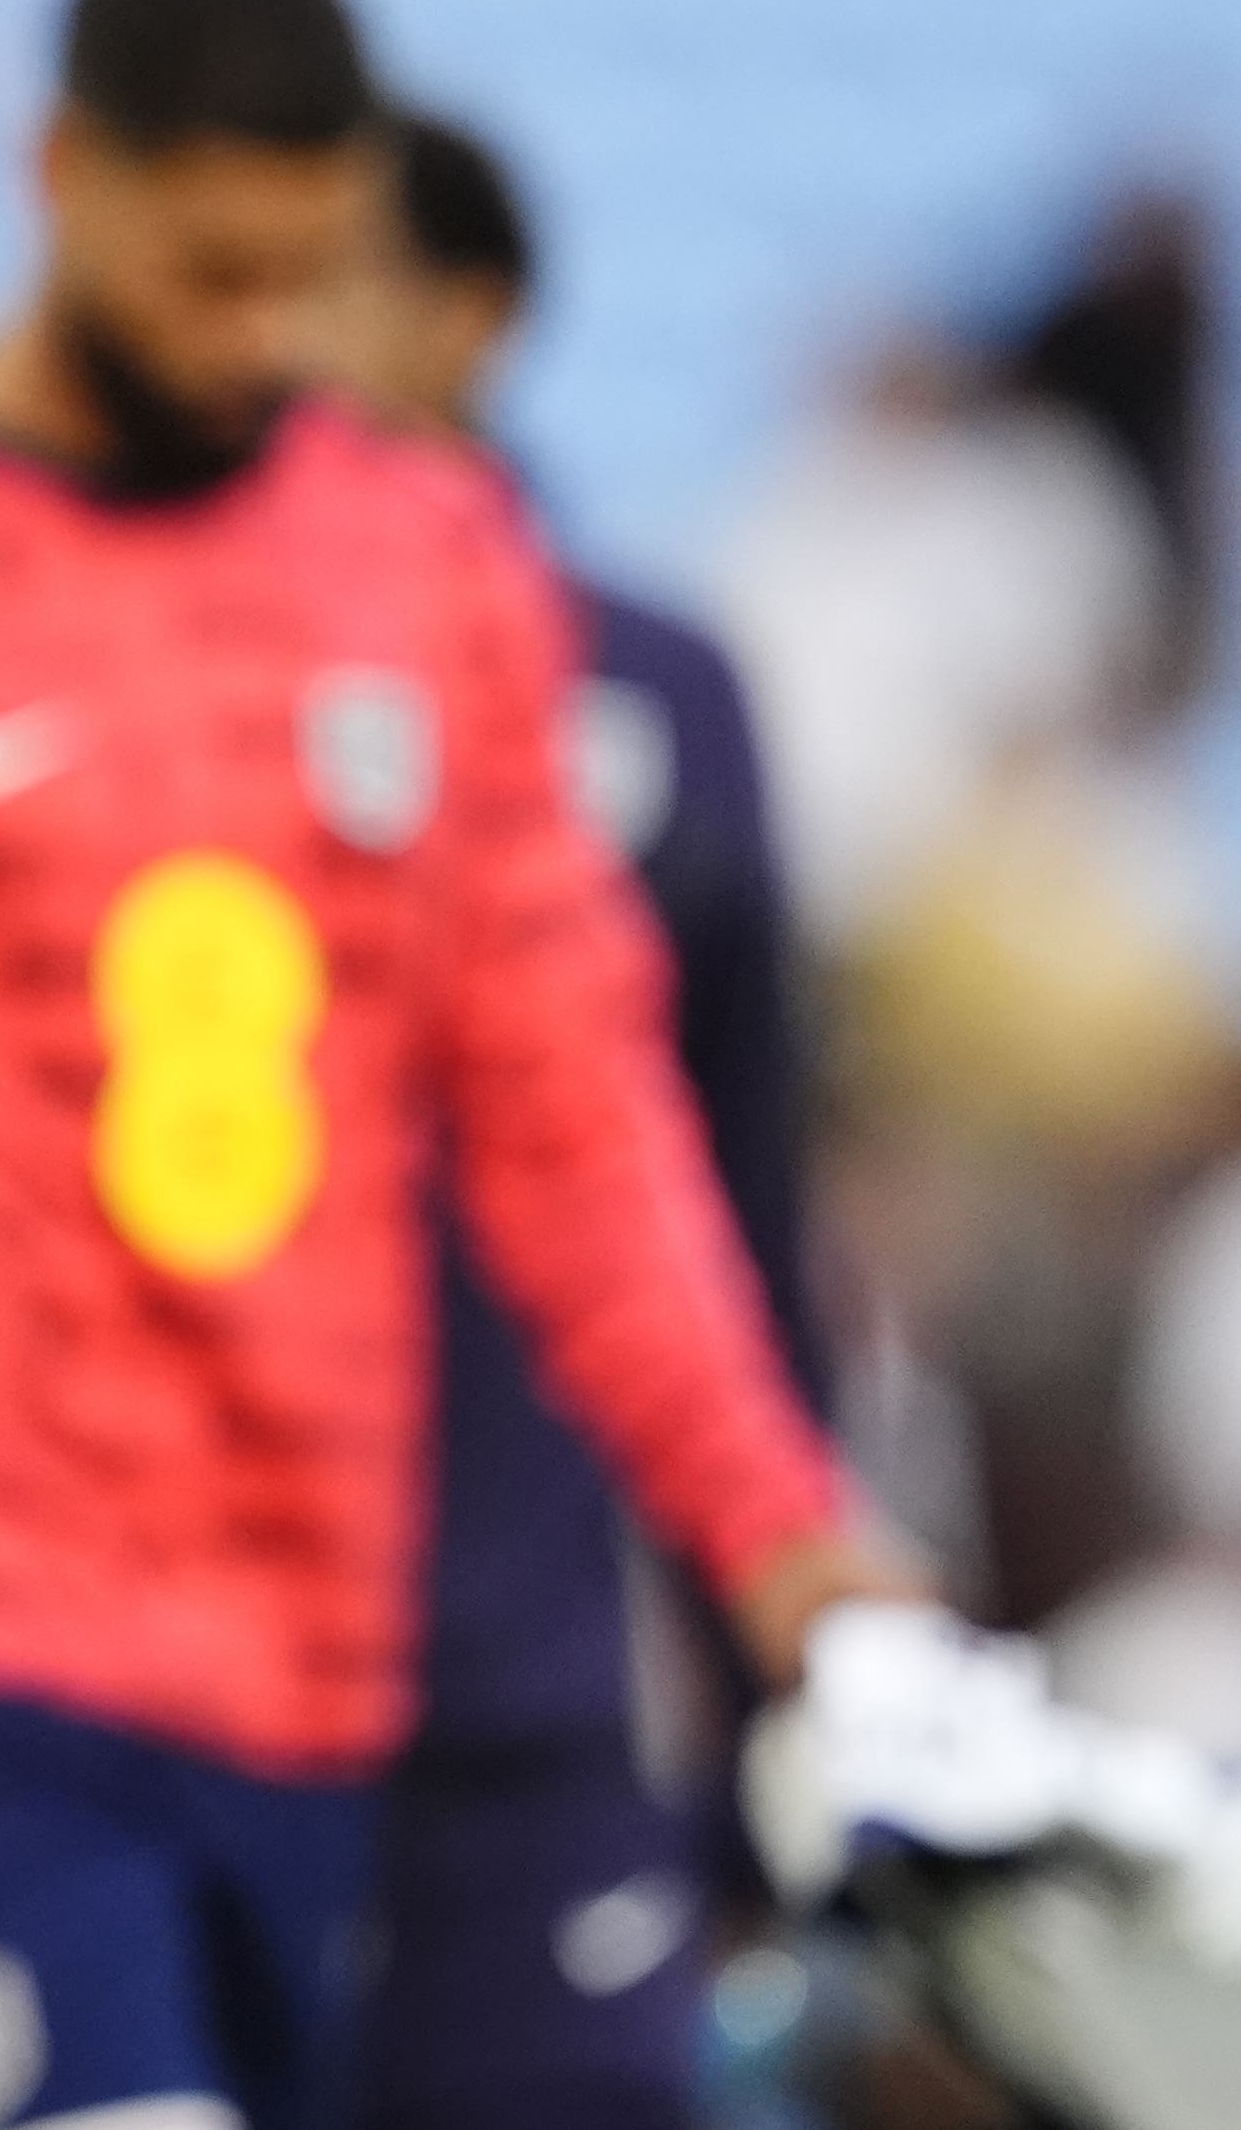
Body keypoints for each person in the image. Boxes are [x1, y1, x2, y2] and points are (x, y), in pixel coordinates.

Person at [0, 0, 895, 2130]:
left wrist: (781, 1534)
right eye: (212, 272)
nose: (260, 341)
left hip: (307, 1677)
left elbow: (575, 1128)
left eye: (304, 279)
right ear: (59, 175)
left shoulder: (435, 582)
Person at [328, 110, 817, 2130]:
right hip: (192, 1638)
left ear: (473, 316)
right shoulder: (137, 671)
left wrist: (778, 1678)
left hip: (534, 1666)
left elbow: (745, 1213)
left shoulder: (657, 701)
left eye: (322, 272)